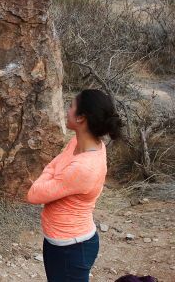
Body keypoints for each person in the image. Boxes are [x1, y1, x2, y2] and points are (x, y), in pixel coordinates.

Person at [26, 89, 123, 282]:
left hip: (71, 249)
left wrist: (50, 172)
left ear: (81, 118)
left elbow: (34, 194)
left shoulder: (84, 166)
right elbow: (56, 164)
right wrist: (55, 172)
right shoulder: (79, 143)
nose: (66, 110)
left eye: (70, 106)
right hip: (60, 243)